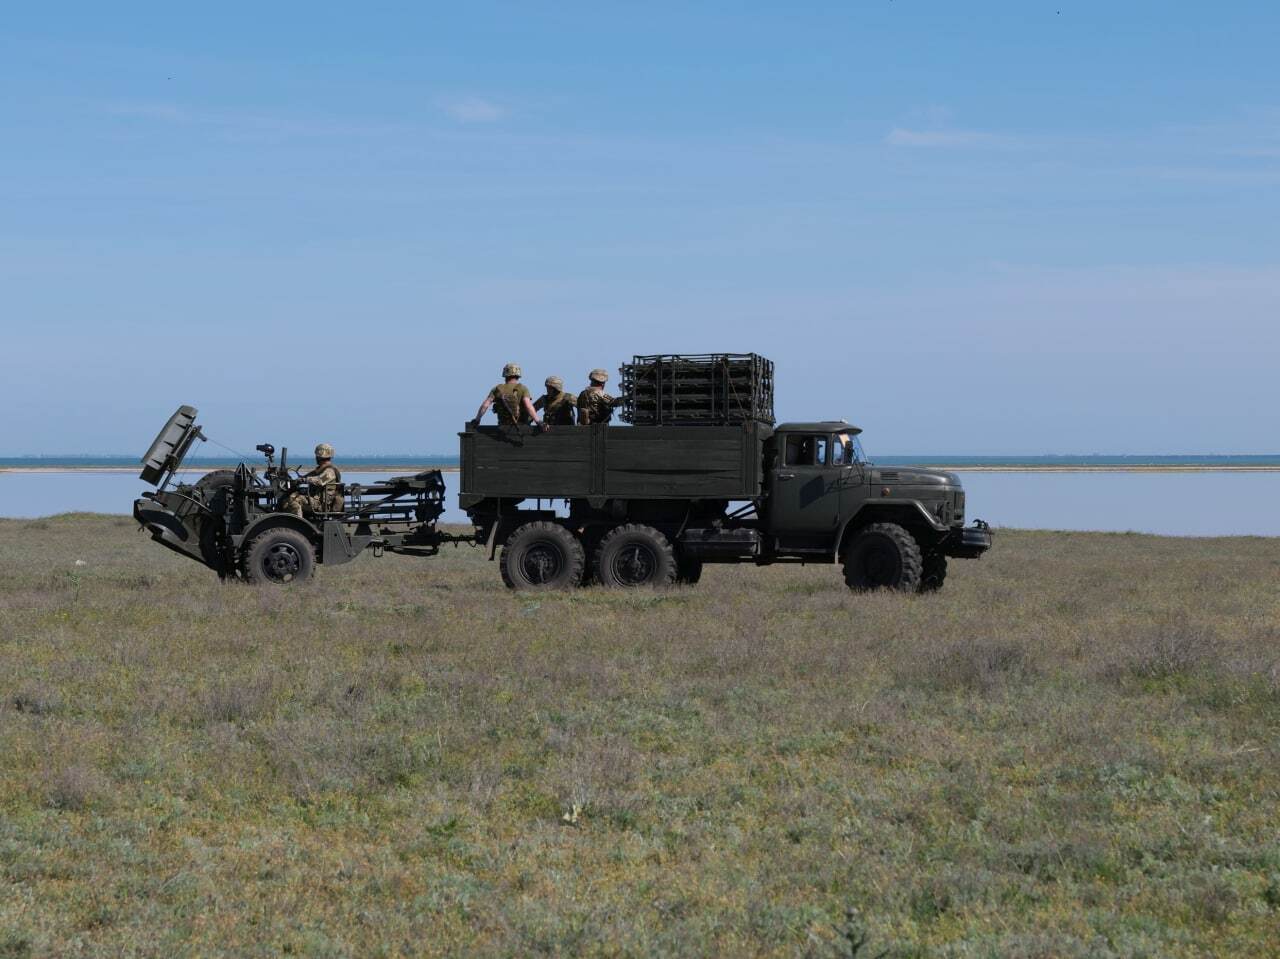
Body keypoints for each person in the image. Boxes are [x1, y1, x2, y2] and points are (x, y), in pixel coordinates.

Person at [473, 363, 545, 429]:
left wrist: (477, 420)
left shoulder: (497, 389)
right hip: (520, 426)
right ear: (518, 374)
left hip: (502, 425)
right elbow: (528, 406)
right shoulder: (523, 388)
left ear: (505, 374)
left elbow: (485, 405)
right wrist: (538, 422)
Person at [281, 443, 342, 517]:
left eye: (317, 456)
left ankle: (298, 522)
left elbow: (320, 481)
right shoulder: (321, 469)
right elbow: (308, 476)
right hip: (317, 501)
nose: (316, 457)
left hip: (321, 504)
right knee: (292, 496)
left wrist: (304, 480)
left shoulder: (330, 471)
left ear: (319, 456)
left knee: (295, 500)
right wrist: (297, 479)